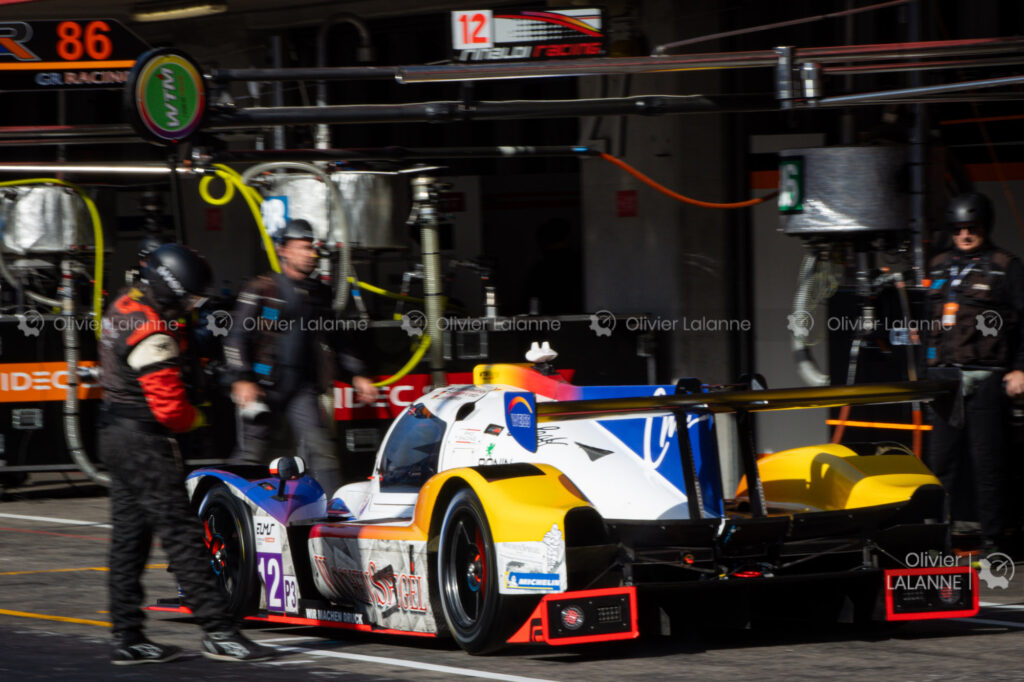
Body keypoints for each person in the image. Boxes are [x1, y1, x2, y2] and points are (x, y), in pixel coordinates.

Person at [99, 243, 274, 665]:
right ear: (172, 286)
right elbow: (171, 409)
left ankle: (127, 636)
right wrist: (198, 417)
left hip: (112, 432)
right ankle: (218, 632)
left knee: (129, 539)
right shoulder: (151, 328)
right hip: (144, 440)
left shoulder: (123, 303)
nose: (191, 305)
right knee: (182, 535)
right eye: (189, 296)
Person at [224, 218, 377, 494]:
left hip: (302, 389)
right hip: (264, 386)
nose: (311, 254)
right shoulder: (262, 289)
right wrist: (242, 378)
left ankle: (333, 515)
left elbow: (337, 338)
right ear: (283, 250)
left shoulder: (318, 294)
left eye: (313, 248)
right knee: (250, 455)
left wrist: (357, 374)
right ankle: (226, 507)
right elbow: (236, 337)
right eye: (304, 247)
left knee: (322, 450)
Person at [925, 191, 1024, 552]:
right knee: (941, 463)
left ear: (985, 226)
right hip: (944, 380)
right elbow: (926, 322)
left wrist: (1019, 369)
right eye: (958, 229)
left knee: (988, 462)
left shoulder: (1005, 266)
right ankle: (937, 536)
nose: (965, 235)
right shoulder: (937, 267)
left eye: (972, 228)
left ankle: (994, 539)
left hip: (987, 377)